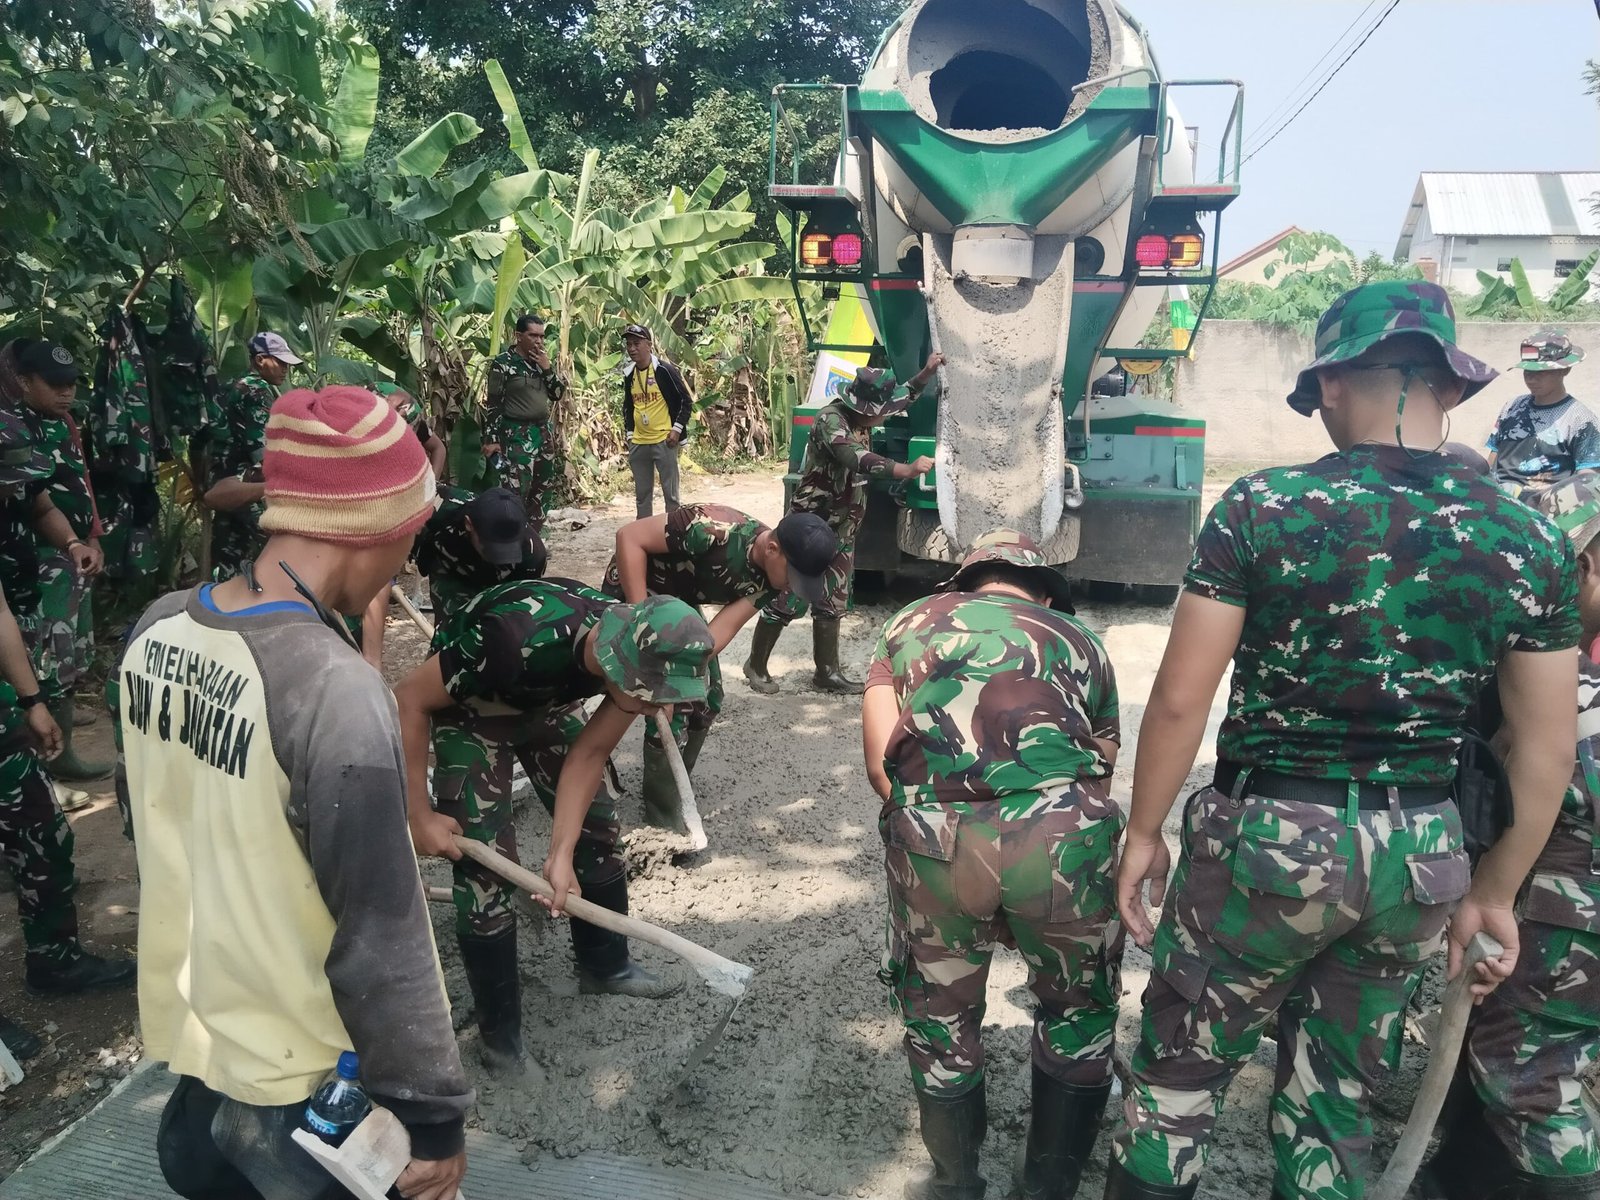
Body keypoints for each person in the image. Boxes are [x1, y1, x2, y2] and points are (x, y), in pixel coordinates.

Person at [1107, 282, 1580, 1200]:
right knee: (1336, 1104)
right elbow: (1544, 748)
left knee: (1178, 1079)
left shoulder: (1264, 506)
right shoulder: (1533, 542)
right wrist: (1495, 893)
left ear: (1330, 383)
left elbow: (1178, 701)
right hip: (1421, 859)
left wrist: (1144, 831)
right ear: (1452, 385)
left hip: (1269, 846)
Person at [120, 385, 471, 1200]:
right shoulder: (331, 688)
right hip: (306, 1091)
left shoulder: (159, 627)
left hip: (202, 1056)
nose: (407, 561)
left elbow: (150, 816)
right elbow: (381, 932)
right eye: (410, 536)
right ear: (375, 527)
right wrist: (432, 1120)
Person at [864, 530, 1119, 1200]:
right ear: (1043, 594)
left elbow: (880, 765)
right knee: (1077, 1012)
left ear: (964, 585)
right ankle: (1048, 1188)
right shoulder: (1081, 639)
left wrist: (929, 842)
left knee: (940, 1016)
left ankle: (955, 1183)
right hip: (1061, 837)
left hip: (938, 833)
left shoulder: (907, 623)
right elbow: (1102, 764)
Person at [395, 584, 714, 1076]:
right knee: (485, 870)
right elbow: (409, 699)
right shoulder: (511, 637)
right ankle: (501, 1043)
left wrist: (560, 853)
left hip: (548, 703)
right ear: (616, 665)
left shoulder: (631, 660)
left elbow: (589, 754)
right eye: (648, 695)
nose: (653, 708)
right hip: (473, 708)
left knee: (598, 826)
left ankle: (606, 967)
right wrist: (419, 816)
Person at [1423, 472, 1600, 1200]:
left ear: (1581, 566)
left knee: (1534, 1080)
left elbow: (1532, 778)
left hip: (1567, 919)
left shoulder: (1564, 691)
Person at [602, 504, 837, 830]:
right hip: (637, 590)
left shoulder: (772, 577)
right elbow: (628, 537)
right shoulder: (709, 527)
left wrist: (683, 672)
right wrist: (643, 632)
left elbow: (718, 633)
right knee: (656, 697)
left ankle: (674, 783)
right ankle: (660, 817)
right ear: (772, 549)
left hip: (678, 605)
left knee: (705, 695)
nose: (791, 587)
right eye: (793, 576)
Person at [744, 359, 941, 696]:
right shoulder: (830, 421)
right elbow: (856, 458)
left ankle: (827, 673)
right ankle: (756, 664)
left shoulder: (865, 413)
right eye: (882, 412)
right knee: (789, 595)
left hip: (842, 527)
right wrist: (906, 470)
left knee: (833, 598)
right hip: (810, 527)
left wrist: (926, 372)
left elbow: (903, 396)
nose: (886, 416)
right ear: (864, 409)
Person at [12, 341, 109, 784]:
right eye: (54, 385)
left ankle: (61, 752)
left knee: (69, 654)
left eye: (71, 384)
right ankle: (48, 761)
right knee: (45, 657)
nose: (66, 392)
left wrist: (89, 537)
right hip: (34, 562)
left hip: (68, 557)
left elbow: (77, 481)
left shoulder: (64, 422)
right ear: (23, 381)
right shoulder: (13, 428)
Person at [358, 383, 452, 668]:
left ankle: (370, 661)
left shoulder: (411, 419)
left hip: (390, 502)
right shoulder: (357, 424)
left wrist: (428, 487)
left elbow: (438, 448)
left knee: (380, 575)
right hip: (359, 504)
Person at [202, 331, 301, 581]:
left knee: (229, 555)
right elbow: (265, 454)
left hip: (223, 477)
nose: (286, 369)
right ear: (260, 360)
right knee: (281, 551)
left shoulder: (232, 386)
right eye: (280, 362)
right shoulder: (257, 390)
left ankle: (221, 598)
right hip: (244, 481)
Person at [415, 485, 548, 628]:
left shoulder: (532, 555)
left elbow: (522, 608)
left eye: (509, 550)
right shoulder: (437, 506)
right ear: (469, 524)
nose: (498, 558)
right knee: (452, 630)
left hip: (500, 581)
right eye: (491, 548)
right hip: (449, 566)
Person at [1486, 329, 1596, 492]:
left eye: (1541, 371)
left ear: (1565, 370)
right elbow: (1494, 453)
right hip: (1501, 498)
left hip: (1545, 501)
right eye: (1528, 371)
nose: (1531, 379)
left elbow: (1588, 477)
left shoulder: (1581, 420)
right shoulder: (1512, 407)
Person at [484, 313, 566, 527]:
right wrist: (492, 440)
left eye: (541, 336)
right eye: (533, 335)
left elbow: (557, 394)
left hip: (543, 433)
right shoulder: (503, 363)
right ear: (519, 336)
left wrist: (547, 369)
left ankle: (534, 538)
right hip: (516, 434)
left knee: (542, 488)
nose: (539, 341)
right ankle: (514, 536)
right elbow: (493, 404)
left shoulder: (541, 362)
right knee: (516, 489)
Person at [621, 323, 694, 518]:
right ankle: (645, 532)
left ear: (648, 345)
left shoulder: (664, 370)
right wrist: (630, 435)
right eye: (629, 344)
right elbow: (628, 406)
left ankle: (672, 531)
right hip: (639, 442)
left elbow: (685, 401)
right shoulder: (629, 374)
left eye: (636, 343)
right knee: (642, 496)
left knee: (671, 495)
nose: (632, 348)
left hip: (664, 440)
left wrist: (676, 429)